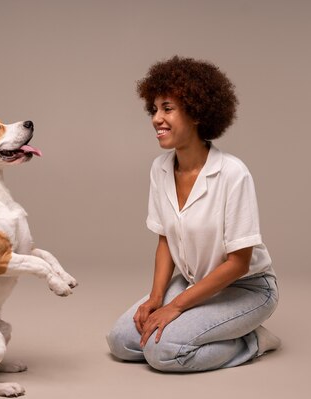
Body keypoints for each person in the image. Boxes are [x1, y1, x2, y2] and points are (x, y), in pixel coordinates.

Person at [106, 56, 280, 372]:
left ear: (197, 112)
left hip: (248, 288)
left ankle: (253, 340)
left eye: (167, 109)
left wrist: (175, 307)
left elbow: (239, 263)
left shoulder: (232, 173)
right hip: (194, 282)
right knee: (121, 341)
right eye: (154, 109)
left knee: (164, 353)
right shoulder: (160, 169)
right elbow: (164, 241)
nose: (156, 118)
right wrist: (155, 299)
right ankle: (209, 328)